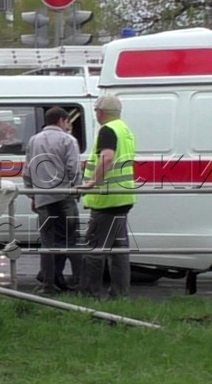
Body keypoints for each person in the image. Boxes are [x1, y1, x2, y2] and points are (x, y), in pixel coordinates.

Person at [79, 94, 139, 298]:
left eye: (96, 110)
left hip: (107, 198)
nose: (96, 114)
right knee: (119, 249)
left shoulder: (108, 130)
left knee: (95, 248)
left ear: (101, 112)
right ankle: (120, 294)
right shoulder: (125, 129)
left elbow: (107, 158)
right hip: (123, 196)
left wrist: (92, 182)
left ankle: (91, 293)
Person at [24, 106, 83, 292]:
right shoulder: (68, 140)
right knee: (71, 240)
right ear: (62, 120)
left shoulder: (34, 141)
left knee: (47, 243)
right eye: (67, 122)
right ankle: (79, 281)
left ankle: (48, 283)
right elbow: (74, 169)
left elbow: (27, 171)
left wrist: (32, 195)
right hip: (64, 196)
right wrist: (77, 189)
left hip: (42, 198)